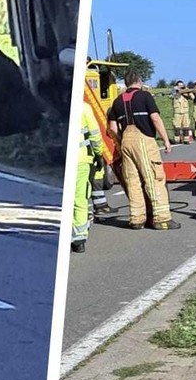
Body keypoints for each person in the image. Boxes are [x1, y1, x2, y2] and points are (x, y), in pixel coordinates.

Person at [107, 71, 180, 230]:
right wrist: (166, 140)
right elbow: (155, 118)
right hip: (143, 139)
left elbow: (112, 128)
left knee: (133, 181)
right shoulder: (145, 96)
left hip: (126, 141)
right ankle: (162, 219)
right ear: (139, 81)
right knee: (154, 178)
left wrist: (121, 142)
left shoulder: (117, 101)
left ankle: (136, 219)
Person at [73, 102, 106, 253]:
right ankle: (78, 239)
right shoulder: (84, 108)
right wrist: (99, 154)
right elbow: (95, 135)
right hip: (81, 161)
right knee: (79, 199)